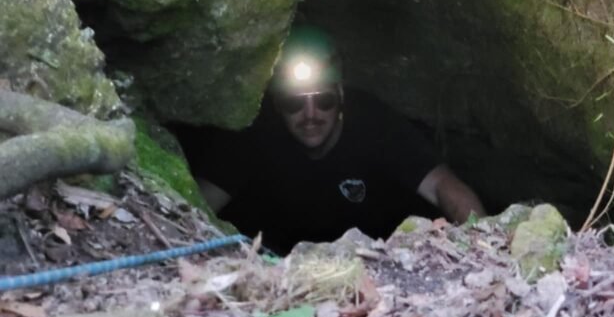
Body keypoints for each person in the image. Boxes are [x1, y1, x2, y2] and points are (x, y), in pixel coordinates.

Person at [189, 26, 486, 252]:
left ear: (341, 97)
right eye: (294, 103)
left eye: (324, 101)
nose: (310, 114)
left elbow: (441, 185)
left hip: (380, 256)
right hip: (281, 260)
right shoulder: (257, 133)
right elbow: (195, 205)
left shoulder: (373, 124)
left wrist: (482, 241)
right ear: (277, 104)